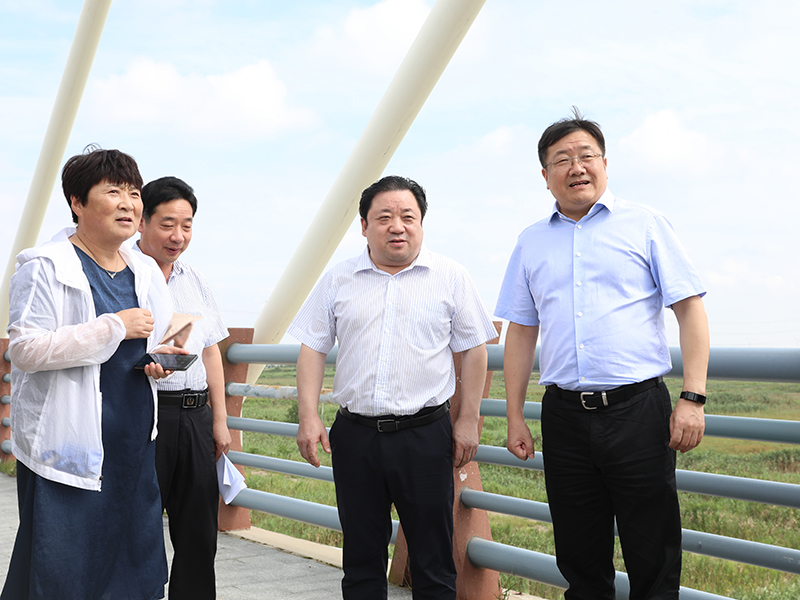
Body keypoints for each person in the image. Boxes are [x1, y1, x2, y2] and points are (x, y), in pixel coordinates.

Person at [495, 109, 710, 600]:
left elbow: (690, 309)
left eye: (586, 155)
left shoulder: (645, 224)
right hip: (564, 415)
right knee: (579, 555)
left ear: (605, 164)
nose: (576, 167)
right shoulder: (531, 241)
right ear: (545, 175)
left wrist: (692, 397)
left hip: (638, 412)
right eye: (562, 159)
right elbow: (522, 331)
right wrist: (514, 416)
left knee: (652, 553)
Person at [288, 175, 498, 600]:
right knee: (361, 555)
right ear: (364, 226)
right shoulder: (339, 279)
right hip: (356, 435)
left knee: (433, 558)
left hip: (425, 434)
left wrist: (467, 420)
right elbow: (312, 348)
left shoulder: (450, 276)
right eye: (384, 217)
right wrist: (308, 417)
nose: (397, 226)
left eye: (408, 217)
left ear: (421, 223)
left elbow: (475, 350)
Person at [2, 147, 185, 600]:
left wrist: (161, 360)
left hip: (133, 443)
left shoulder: (144, 270)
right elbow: (24, 349)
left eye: (134, 193)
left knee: (132, 566)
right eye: (113, 192)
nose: (128, 203)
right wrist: (113, 326)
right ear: (77, 202)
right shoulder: (44, 266)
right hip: (69, 444)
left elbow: (152, 341)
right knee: (63, 568)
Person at [136, 176, 231, 600]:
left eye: (187, 225)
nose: (178, 236)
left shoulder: (195, 279)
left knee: (198, 533)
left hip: (195, 415)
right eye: (167, 224)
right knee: (138, 527)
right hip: (145, 412)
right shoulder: (122, 274)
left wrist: (220, 422)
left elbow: (211, 352)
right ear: (142, 222)